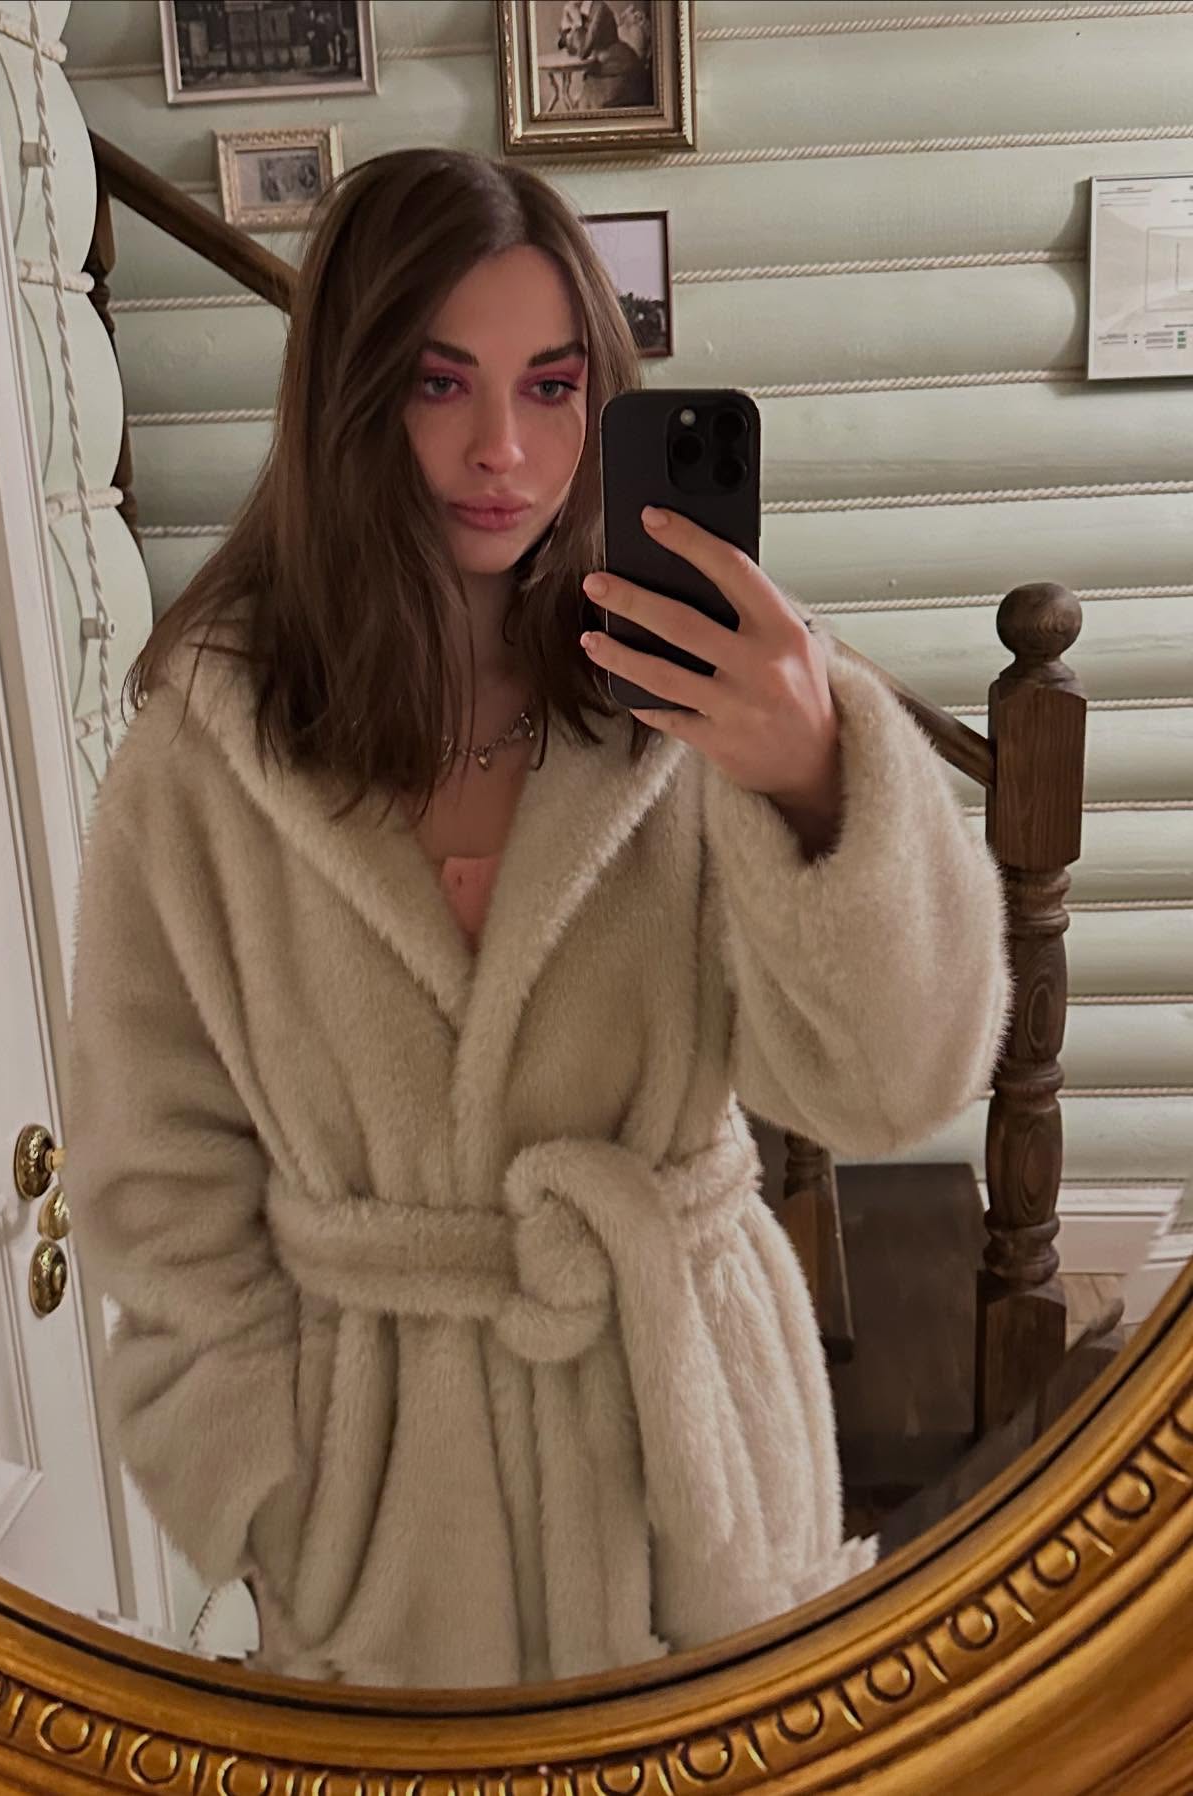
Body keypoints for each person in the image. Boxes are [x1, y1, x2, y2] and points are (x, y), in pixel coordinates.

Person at [64, 146, 1013, 1689]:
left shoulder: (693, 703)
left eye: (554, 387)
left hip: (693, 1486)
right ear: (349, 394)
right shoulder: (207, 755)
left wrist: (815, 780)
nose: (502, 449)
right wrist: (276, 1497)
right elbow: (155, 1175)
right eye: (439, 383)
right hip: (389, 1545)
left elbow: (889, 1087)